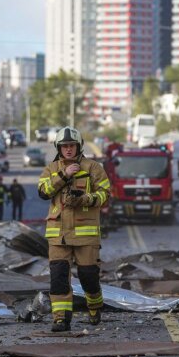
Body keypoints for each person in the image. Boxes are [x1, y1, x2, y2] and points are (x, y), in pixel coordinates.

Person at [38, 126, 110, 332]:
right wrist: (63, 174)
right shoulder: (51, 169)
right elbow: (43, 192)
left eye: (71, 146)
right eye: (64, 146)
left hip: (85, 234)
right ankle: (61, 319)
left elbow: (105, 195)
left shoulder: (93, 167)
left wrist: (86, 199)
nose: (68, 150)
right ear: (58, 148)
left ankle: (95, 306)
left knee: (89, 277)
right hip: (58, 235)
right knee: (58, 278)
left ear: (79, 146)